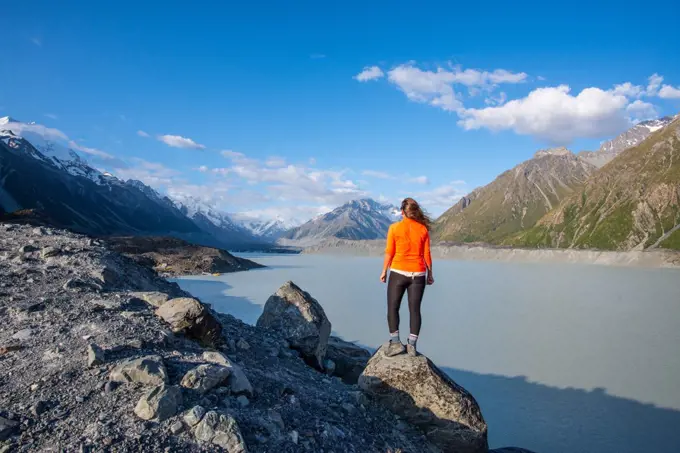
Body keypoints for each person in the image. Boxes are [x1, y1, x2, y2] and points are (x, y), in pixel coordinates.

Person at [380, 197, 434, 357]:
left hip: (398, 272)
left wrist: (384, 271)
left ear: (402, 212)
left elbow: (390, 251)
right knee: (415, 310)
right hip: (418, 274)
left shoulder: (394, 228)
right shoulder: (423, 229)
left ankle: (396, 343)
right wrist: (430, 274)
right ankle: (411, 345)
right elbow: (427, 254)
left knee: (392, 307)